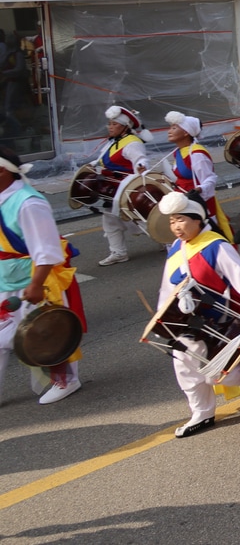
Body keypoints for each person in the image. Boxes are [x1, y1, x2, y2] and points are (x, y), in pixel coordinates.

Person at [153, 190, 240, 437]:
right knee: (183, 365)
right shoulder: (176, 247)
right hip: (188, 323)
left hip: (219, 319)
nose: (176, 227)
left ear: (197, 219)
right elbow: (166, 288)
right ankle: (202, 413)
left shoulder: (216, 246)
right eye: (172, 221)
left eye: (181, 219)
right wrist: (163, 319)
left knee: (219, 373)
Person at [0, 146, 86, 404]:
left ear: (2, 170)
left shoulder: (29, 203)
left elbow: (46, 249)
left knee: (45, 331)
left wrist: (37, 284)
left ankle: (67, 380)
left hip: (33, 276)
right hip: (5, 276)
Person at [91, 105, 153, 266]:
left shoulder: (132, 143)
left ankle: (169, 240)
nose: (110, 127)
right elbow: (101, 161)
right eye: (109, 124)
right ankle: (118, 252)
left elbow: (141, 159)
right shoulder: (114, 142)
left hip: (126, 189)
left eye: (114, 124)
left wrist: (141, 166)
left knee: (144, 219)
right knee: (110, 220)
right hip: (111, 188)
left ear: (125, 126)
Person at [165, 110, 235, 241]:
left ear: (186, 132)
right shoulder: (179, 152)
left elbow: (210, 178)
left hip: (198, 202)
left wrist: (200, 189)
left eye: (174, 128)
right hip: (182, 200)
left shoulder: (197, 153)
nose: (169, 131)